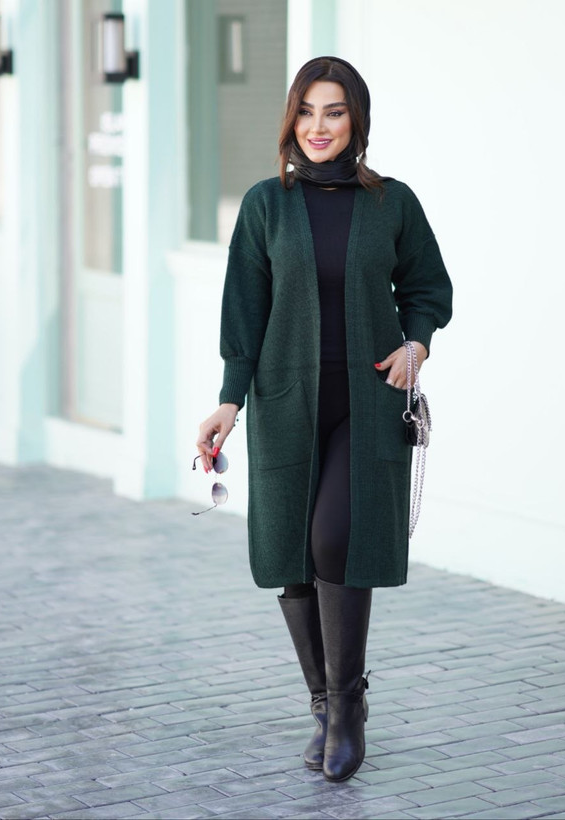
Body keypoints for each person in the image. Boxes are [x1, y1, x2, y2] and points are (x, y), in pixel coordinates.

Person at [195, 56, 453, 782]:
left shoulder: (391, 203)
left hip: (366, 405)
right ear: (291, 119)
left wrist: (416, 344)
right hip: (285, 403)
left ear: (355, 120)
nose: (318, 126)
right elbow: (244, 314)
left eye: (334, 111)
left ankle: (347, 710)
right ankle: (325, 702)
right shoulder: (266, 205)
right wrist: (229, 401)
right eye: (307, 111)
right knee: (293, 558)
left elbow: (428, 287)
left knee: (335, 539)